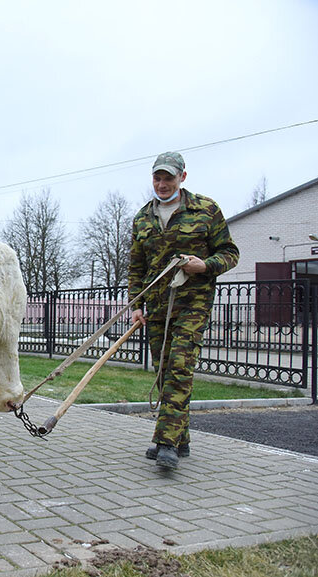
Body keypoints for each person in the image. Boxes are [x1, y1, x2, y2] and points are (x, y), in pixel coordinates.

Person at [128, 151, 239, 469]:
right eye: (157, 178)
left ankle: (165, 444)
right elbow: (136, 267)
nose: (162, 184)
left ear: (182, 178)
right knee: (164, 373)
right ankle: (182, 439)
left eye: (169, 177)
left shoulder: (205, 209)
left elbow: (230, 252)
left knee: (179, 370)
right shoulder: (143, 218)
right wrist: (137, 305)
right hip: (158, 307)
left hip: (193, 304)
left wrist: (205, 265)